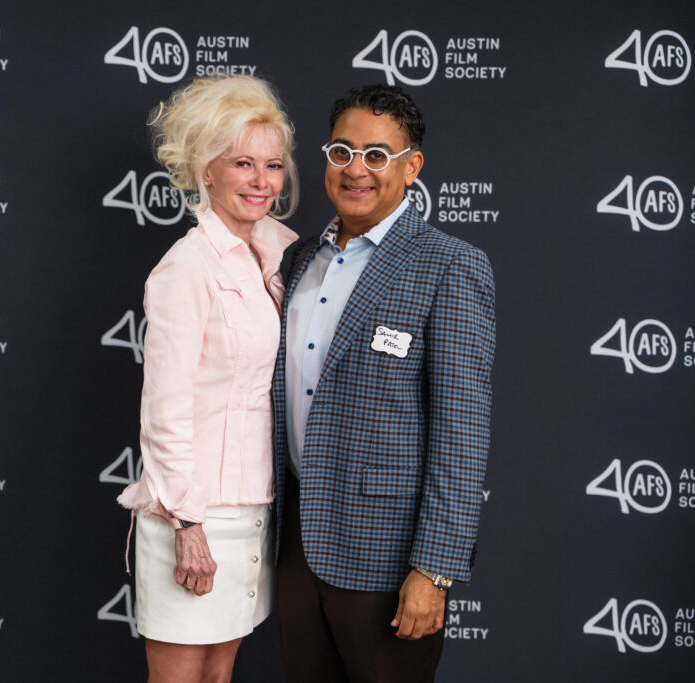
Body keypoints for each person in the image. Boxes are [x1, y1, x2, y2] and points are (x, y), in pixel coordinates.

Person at [272, 83, 496, 682]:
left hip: (389, 562)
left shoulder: (450, 265)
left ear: (411, 167)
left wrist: (435, 570)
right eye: (342, 152)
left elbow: (462, 433)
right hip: (295, 548)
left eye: (376, 155)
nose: (356, 170)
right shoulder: (298, 261)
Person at [117, 75, 299, 683]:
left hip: (253, 508)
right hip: (193, 514)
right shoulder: (186, 267)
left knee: (219, 678)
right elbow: (163, 408)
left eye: (272, 165)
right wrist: (188, 522)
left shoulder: (273, 258)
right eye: (242, 163)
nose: (260, 180)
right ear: (207, 170)